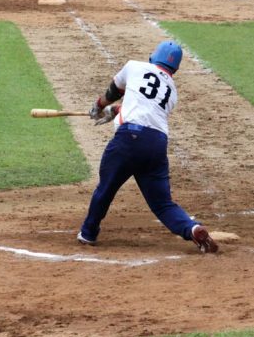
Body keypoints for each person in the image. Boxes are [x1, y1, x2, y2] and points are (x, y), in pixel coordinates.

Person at [78, 41, 219, 254]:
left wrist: (99, 107)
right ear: (175, 68)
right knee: (162, 203)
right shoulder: (172, 91)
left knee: (106, 188)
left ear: (154, 56)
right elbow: (147, 107)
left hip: (128, 140)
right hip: (156, 144)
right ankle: (192, 228)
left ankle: (88, 233)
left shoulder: (134, 66)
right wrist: (116, 111)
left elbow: (115, 90)